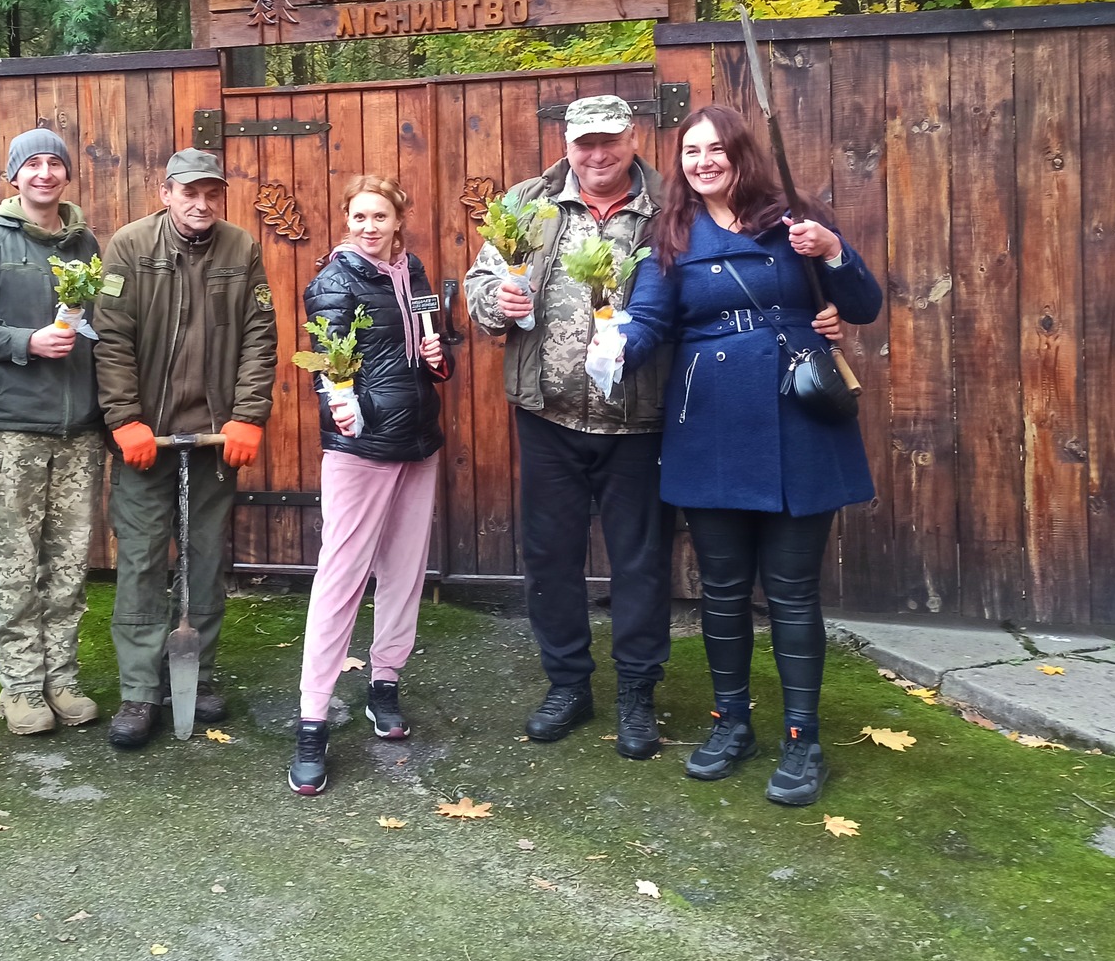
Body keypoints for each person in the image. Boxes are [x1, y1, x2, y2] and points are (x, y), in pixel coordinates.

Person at [620, 103, 882, 807]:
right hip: (709, 424)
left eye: (716, 149)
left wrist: (832, 250)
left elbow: (861, 306)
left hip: (799, 419)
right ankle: (730, 722)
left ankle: (802, 740)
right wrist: (611, 353)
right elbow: (650, 319)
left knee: (792, 591)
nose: (703, 162)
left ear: (742, 153)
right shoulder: (671, 231)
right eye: (691, 151)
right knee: (724, 589)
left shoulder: (793, 217)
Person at [462, 94, 674, 760]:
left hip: (639, 420)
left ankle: (637, 694)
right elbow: (477, 282)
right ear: (567, 144)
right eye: (585, 143)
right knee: (550, 558)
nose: (597, 154)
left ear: (632, 137)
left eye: (610, 140)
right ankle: (568, 685)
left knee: (640, 565)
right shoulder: (529, 202)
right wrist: (494, 300)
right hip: (547, 416)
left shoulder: (671, 208)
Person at [94, 149, 279, 750]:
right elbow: (112, 340)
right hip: (146, 440)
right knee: (143, 559)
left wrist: (248, 417)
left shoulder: (240, 248)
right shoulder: (129, 247)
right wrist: (124, 419)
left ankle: (195, 674)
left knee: (204, 559)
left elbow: (259, 338)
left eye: (211, 193)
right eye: (189, 193)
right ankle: (140, 690)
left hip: (213, 438)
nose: (201, 204)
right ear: (166, 193)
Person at [287, 177, 451, 796]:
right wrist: (343, 405)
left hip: (419, 444)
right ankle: (312, 720)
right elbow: (330, 364)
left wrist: (438, 355)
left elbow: (433, 356)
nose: (369, 227)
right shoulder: (335, 282)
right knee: (342, 580)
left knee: (404, 573)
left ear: (398, 220)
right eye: (359, 216)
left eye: (380, 216)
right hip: (362, 450)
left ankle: (385, 683)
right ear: (347, 220)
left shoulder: (413, 272)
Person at [0, 128, 104, 737]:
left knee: (68, 566)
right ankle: (20, 686)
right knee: (15, 565)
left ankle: (61, 679)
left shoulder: (85, 243)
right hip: (11, 430)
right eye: (31, 164)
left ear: (66, 174)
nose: (44, 173)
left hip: (79, 432)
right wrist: (24, 341)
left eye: (54, 163)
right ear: (13, 177)